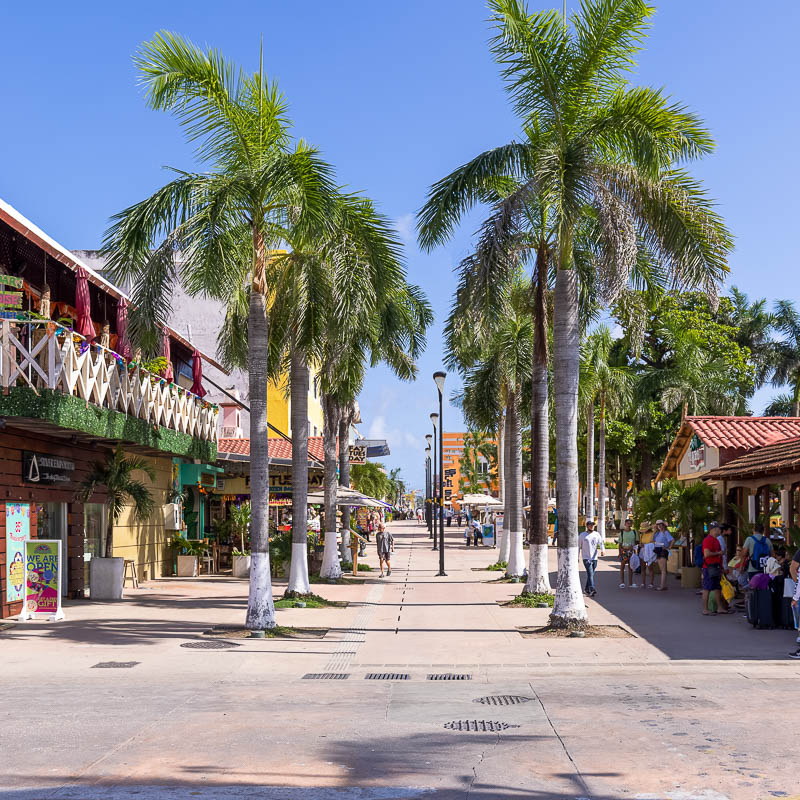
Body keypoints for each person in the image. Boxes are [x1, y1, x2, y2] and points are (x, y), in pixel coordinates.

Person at [701, 523, 732, 615]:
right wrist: (719, 553)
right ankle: (705, 609)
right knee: (707, 588)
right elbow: (706, 554)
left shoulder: (716, 540)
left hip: (716, 566)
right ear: (713, 529)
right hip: (709, 567)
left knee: (717, 588)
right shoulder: (708, 540)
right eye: (719, 529)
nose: (720, 531)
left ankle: (720, 607)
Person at [579, 519, 603, 597]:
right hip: (586, 557)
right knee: (590, 573)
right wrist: (577, 556)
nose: (592, 526)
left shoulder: (597, 534)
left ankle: (586, 589)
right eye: (590, 525)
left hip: (594, 557)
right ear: (587, 526)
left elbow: (601, 543)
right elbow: (578, 546)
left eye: (593, 525)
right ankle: (592, 589)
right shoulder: (582, 535)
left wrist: (603, 550)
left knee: (591, 574)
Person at [652, 519, 674, 591]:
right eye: (658, 525)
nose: (659, 526)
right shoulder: (657, 533)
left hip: (662, 550)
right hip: (657, 550)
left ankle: (662, 586)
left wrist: (668, 547)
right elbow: (652, 540)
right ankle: (664, 585)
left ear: (663, 525)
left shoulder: (666, 532)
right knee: (662, 569)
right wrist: (655, 530)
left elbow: (672, 540)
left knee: (663, 569)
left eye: (661, 525)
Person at [618, 518, 638, 588]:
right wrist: (620, 553)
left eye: (630, 523)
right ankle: (622, 583)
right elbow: (620, 544)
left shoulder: (634, 532)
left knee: (631, 567)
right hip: (624, 551)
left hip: (632, 551)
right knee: (622, 567)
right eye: (627, 523)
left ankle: (630, 583)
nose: (629, 525)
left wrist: (633, 548)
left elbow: (636, 542)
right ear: (625, 524)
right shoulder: (622, 533)